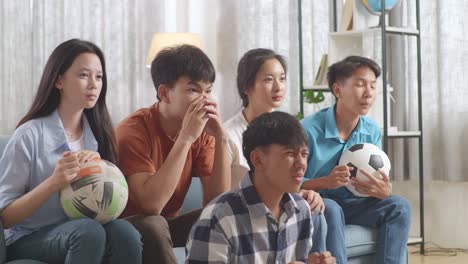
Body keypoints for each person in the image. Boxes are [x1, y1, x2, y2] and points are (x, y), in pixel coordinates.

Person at [0, 39, 142, 263]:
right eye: (84, 75)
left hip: (78, 231)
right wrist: (53, 182)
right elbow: (5, 217)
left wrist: (102, 172)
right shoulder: (28, 135)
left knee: (125, 233)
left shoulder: (98, 134)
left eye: (99, 77)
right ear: (59, 81)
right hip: (27, 238)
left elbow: (107, 207)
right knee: (88, 231)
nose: (94, 84)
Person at [115, 44, 231, 264]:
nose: (205, 100)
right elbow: (151, 206)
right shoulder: (132, 131)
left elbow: (216, 202)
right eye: (193, 90)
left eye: (208, 91)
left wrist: (222, 138)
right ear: (164, 93)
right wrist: (186, 137)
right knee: (153, 223)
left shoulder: (203, 133)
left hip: (166, 225)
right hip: (126, 228)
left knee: (225, 215)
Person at [300, 56, 412, 264]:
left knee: (400, 206)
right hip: (321, 202)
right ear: (338, 90)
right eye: (360, 84)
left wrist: (383, 191)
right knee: (331, 208)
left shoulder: (371, 130)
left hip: (356, 203)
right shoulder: (307, 130)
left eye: (372, 85)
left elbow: (378, 175)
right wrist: (325, 182)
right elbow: (290, 182)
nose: (368, 93)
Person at [186, 111, 335, 264]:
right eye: (290, 153)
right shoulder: (219, 218)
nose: (301, 164)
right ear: (257, 159)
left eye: (304, 154)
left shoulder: (301, 211)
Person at [224, 48, 327, 253]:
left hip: (282, 202)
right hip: (247, 209)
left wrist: (303, 192)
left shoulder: (288, 128)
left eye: (282, 78)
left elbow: (291, 176)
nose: (278, 87)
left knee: (324, 207)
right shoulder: (228, 135)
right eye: (269, 79)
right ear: (247, 87)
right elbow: (225, 191)